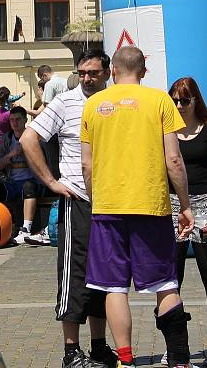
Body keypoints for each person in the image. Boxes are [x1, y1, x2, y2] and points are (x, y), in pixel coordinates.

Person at [80, 46, 196, 368]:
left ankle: (126, 360)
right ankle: (179, 358)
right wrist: (185, 205)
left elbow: (86, 166)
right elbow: (173, 159)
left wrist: (96, 200)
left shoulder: (93, 105)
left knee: (114, 287)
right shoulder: (160, 101)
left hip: (108, 207)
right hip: (151, 205)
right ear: (144, 70)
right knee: (165, 283)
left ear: (112, 71)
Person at [21, 49, 115, 368]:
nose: (87, 78)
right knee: (74, 274)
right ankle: (71, 351)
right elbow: (28, 139)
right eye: (82, 72)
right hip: (77, 199)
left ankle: (99, 345)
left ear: (107, 73)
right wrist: (51, 182)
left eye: (93, 73)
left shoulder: (114, 100)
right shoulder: (65, 101)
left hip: (111, 201)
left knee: (105, 275)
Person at [162, 77, 207, 367]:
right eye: (175, 100)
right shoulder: (166, 131)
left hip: (204, 204)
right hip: (173, 207)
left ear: (195, 101)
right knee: (169, 281)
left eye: (185, 100)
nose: (179, 105)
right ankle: (176, 347)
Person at [0, 106, 46, 243]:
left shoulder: (33, 137)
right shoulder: (7, 139)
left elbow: (42, 164)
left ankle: (26, 229)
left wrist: (28, 152)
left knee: (28, 187)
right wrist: (12, 154)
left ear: (25, 120)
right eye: (12, 120)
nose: (15, 123)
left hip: (31, 182)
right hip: (11, 182)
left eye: (18, 119)